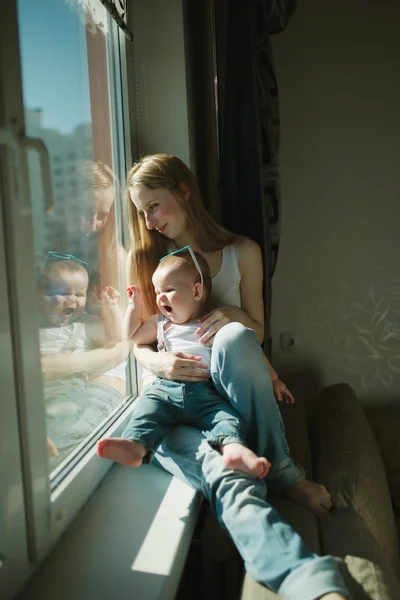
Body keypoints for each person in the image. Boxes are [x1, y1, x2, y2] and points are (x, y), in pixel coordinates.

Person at [122, 153, 349, 599]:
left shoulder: (241, 252)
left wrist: (233, 315)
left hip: (224, 393)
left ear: (184, 191)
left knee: (231, 337)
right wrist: (159, 363)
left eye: (154, 206)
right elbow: (137, 341)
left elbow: (257, 335)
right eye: (140, 212)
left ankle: (281, 469)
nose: (148, 222)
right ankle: (313, 585)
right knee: (229, 477)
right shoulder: (151, 260)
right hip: (169, 403)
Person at [97, 248, 270, 478]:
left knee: (227, 418)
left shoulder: (213, 322)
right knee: (147, 410)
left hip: (206, 393)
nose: (160, 298)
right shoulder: (161, 323)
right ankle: (136, 445)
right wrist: (134, 306)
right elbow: (134, 335)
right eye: (158, 292)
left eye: (168, 290)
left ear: (196, 291)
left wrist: (274, 379)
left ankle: (233, 450)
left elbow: (246, 351)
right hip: (165, 391)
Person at [38, 254, 126, 463]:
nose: (73, 300)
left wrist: (111, 307)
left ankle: (47, 436)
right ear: (40, 295)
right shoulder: (32, 321)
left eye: (79, 294)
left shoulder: (85, 325)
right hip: (32, 382)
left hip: (65, 383)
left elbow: (116, 339)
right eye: (62, 293)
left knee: (65, 406)